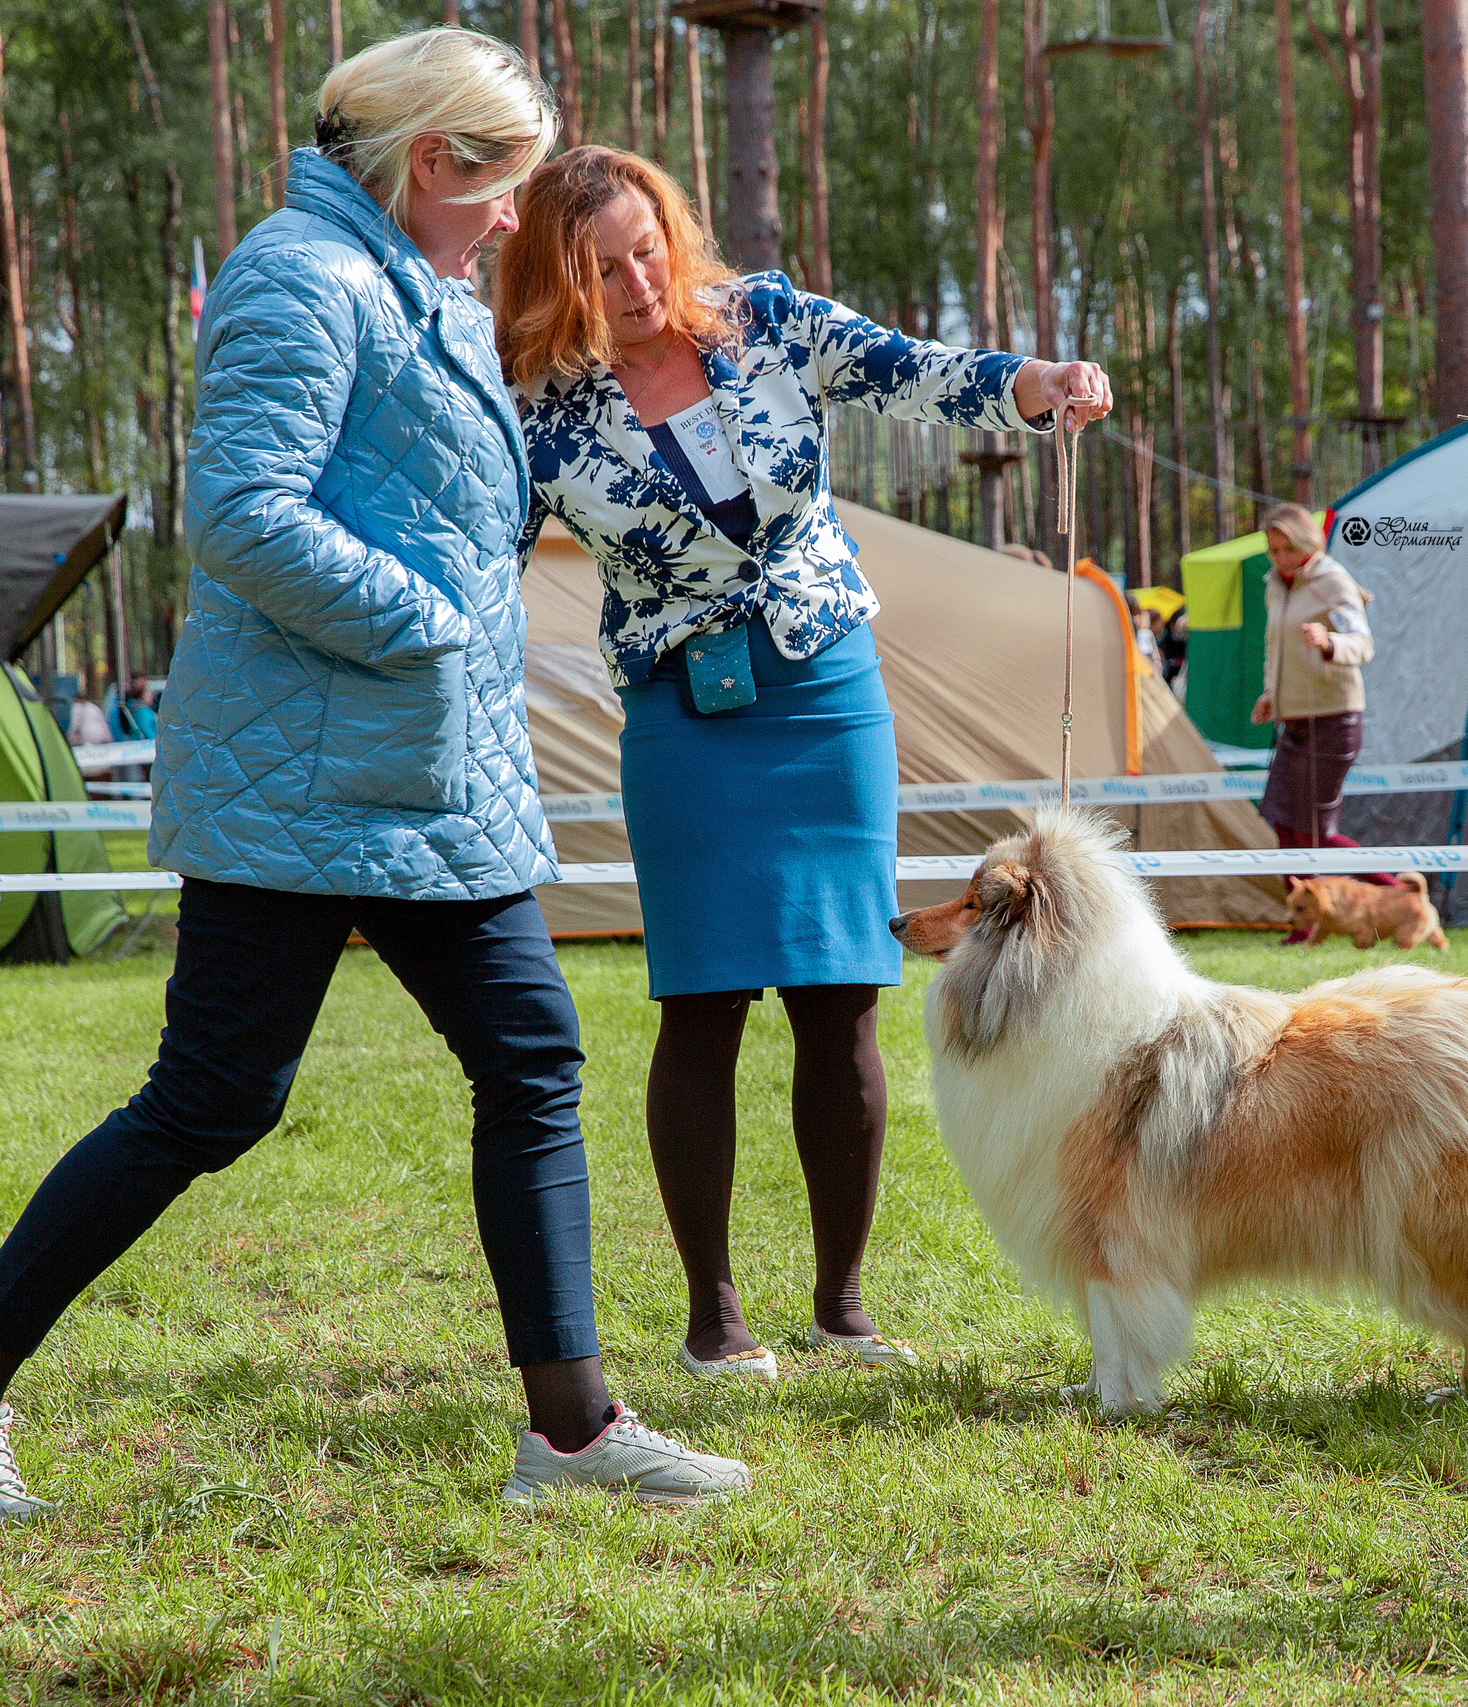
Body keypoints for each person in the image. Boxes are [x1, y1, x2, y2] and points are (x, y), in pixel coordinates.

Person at [0, 29, 749, 1541]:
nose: (515, 219)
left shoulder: (422, 284)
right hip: (310, 771)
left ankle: (573, 1424)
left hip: (424, 775)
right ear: (427, 167)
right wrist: (430, 618)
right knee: (212, 1100)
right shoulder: (301, 274)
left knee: (530, 1055)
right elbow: (243, 514)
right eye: (503, 186)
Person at [497, 145, 1112, 1382]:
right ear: (557, 284)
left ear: (671, 229)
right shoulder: (538, 410)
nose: (635, 281)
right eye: (601, 269)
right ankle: (713, 1317)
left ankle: (842, 1310)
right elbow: (478, 556)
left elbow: (919, 374)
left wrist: (1037, 384)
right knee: (703, 1002)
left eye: (646, 248)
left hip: (826, 689)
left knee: (840, 998)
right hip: (682, 715)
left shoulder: (768, 319)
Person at [1249, 502, 1379, 939]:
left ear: (1307, 542)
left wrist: (1329, 643)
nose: (1280, 558)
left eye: (1287, 548)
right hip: (1295, 719)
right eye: (1273, 550)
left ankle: (1399, 894)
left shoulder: (1332, 580)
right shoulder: (1275, 584)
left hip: (1335, 719)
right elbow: (1274, 648)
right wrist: (1272, 695)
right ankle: (1304, 922)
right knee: (1282, 819)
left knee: (1317, 831)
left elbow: (1362, 644)